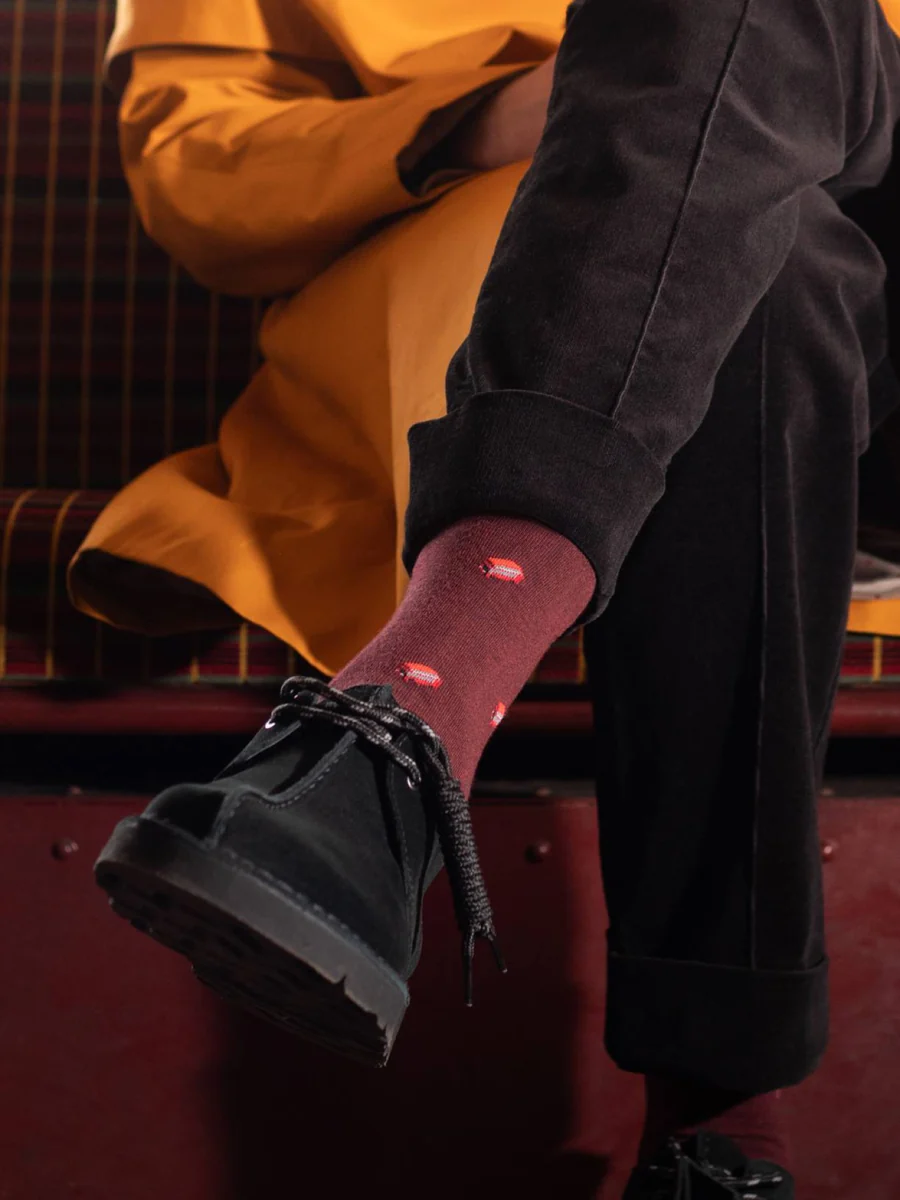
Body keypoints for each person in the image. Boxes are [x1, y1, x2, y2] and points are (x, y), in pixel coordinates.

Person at [82, 0, 900, 1194]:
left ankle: (410, 717)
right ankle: (722, 1130)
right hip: (562, 290)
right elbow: (198, 178)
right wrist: (488, 118)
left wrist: (664, 80)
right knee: (758, 266)